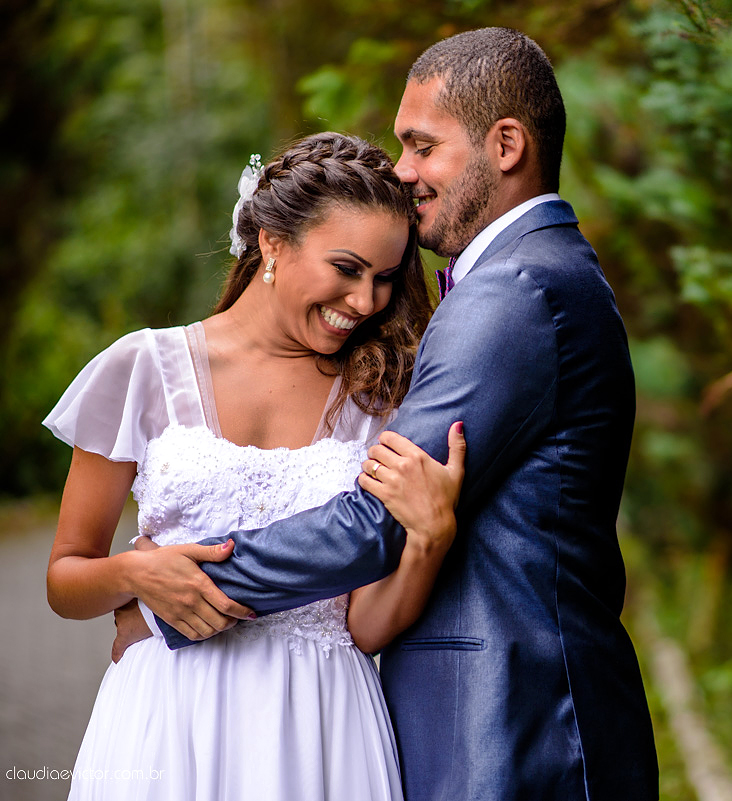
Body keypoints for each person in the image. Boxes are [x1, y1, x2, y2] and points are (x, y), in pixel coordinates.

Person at [141, 28, 659, 799]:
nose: (403, 170)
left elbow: (376, 519)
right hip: (511, 714)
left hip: (519, 724)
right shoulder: (544, 271)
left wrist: (176, 590)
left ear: (507, 143)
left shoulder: (514, 289)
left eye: (421, 145)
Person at [44, 131, 465, 801]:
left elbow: (363, 624)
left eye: (385, 278)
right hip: (169, 719)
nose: (366, 301)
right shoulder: (143, 369)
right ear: (272, 241)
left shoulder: (379, 400)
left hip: (322, 725)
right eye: (348, 267)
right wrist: (136, 575)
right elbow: (65, 579)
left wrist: (429, 539)